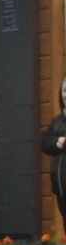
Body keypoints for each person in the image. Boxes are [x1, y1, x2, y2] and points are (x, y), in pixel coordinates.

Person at [46, 77, 66, 232]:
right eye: (64, 90)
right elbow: (44, 142)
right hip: (61, 186)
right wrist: (57, 142)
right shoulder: (57, 121)